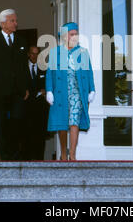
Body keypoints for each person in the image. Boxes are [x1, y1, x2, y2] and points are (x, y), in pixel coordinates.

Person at [0, 9, 29, 161]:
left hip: (18, 90)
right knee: (0, 123)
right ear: (3, 23)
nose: (16, 23)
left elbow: (24, 67)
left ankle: (15, 155)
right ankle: (4, 156)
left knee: (16, 121)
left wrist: (26, 87)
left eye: (15, 20)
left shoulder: (21, 41)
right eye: (12, 21)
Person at [45, 22, 95, 161]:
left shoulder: (83, 52)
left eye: (76, 34)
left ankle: (72, 154)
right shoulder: (56, 52)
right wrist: (49, 91)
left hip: (77, 92)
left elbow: (89, 72)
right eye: (72, 34)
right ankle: (63, 152)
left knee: (74, 121)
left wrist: (92, 90)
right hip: (61, 91)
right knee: (62, 122)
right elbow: (50, 73)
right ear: (65, 36)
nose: (75, 37)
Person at [23, 45, 50, 160]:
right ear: (28, 54)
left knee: (40, 136)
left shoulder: (44, 68)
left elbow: (48, 84)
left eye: (37, 54)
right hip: (26, 108)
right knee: (26, 135)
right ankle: (27, 160)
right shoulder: (22, 68)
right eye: (32, 53)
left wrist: (46, 90)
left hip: (40, 108)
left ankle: (40, 160)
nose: (34, 56)